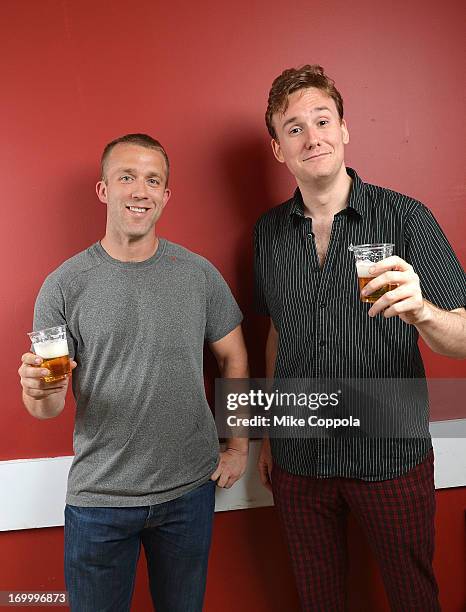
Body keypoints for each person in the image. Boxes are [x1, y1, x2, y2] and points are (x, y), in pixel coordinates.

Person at [254, 65, 466, 611]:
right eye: (293, 127)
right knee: (317, 601)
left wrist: (422, 312)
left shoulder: (407, 218)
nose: (312, 136)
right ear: (278, 148)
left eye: (322, 120)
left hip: (391, 456)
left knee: (414, 599)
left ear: (345, 129)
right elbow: (278, 330)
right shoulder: (268, 232)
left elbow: (463, 336)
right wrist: (270, 431)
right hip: (301, 463)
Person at [18, 133, 249, 612]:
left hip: (189, 493)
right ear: (104, 189)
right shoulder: (63, 286)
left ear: (166, 196)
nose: (140, 191)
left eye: (153, 181)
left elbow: (233, 359)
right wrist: (39, 391)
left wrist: (238, 445)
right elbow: (49, 404)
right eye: (127, 177)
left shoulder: (199, 275)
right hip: (99, 500)